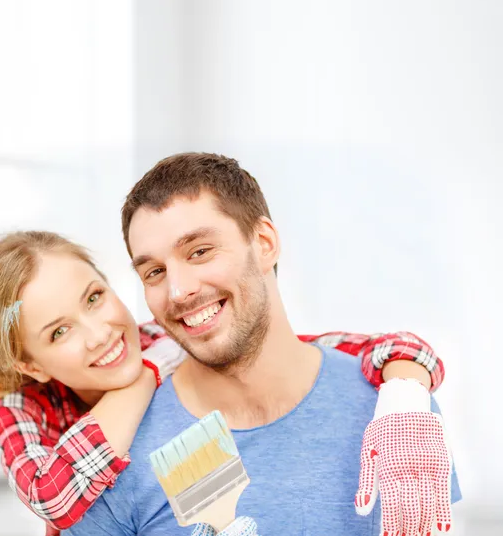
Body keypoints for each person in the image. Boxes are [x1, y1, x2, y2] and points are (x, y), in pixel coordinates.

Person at [64, 152, 461, 536]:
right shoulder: (118, 451)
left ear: (264, 242)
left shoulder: (395, 415)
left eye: (199, 251)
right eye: (154, 271)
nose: (178, 290)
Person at [0, 229, 444, 536]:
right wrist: (141, 379)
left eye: (95, 297)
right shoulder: (18, 404)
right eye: (59, 332)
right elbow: (52, 496)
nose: (99, 333)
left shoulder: (159, 338)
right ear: (33, 365)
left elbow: (341, 347)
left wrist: (404, 392)